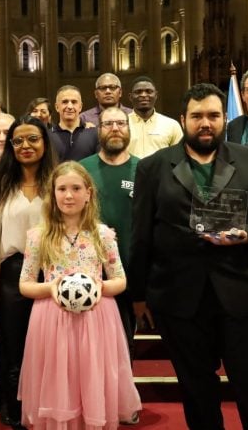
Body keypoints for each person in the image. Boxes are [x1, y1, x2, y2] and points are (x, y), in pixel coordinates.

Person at [130, 83, 248, 430]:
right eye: (198, 116)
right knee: (196, 390)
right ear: (182, 119)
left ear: (224, 118)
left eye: (214, 116)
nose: (206, 123)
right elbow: (141, 234)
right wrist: (139, 295)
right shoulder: (153, 167)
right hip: (180, 298)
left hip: (245, 293)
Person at [18, 161, 142, 429]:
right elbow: (25, 284)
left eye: (76, 188)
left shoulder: (103, 235)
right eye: (61, 189)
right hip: (52, 319)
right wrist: (51, 288)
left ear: (89, 193)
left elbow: (120, 279)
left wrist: (98, 287)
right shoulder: (39, 236)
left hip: (95, 319)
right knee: (59, 379)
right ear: (52, 194)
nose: (69, 195)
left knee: (91, 376)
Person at [0, 115, 58, 428]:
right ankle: (12, 402)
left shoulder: (57, 182)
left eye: (33, 139)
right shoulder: (0, 186)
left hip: (52, 272)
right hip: (11, 276)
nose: (26, 146)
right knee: (12, 345)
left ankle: (48, 402)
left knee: (49, 344)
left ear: (44, 142)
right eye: (18, 141)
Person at [79, 107, 140, 350]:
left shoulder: (144, 169)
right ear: (99, 130)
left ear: (128, 128)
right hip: (88, 272)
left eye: (121, 123)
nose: (115, 128)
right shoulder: (81, 169)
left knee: (124, 346)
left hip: (129, 273)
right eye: (108, 124)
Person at [127, 76, 183, 158]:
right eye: (138, 92)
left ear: (156, 95)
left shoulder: (171, 125)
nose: (143, 95)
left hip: (161, 171)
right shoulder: (120, 124)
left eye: (149, 91)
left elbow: (179, 157)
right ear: (130, 97)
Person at [49, 85, 98, 161]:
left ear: (80, 107)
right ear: (57, 107)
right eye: (65, 102)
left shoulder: (94, 133)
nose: (70, 106)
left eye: (74, 102)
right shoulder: (47, 136)